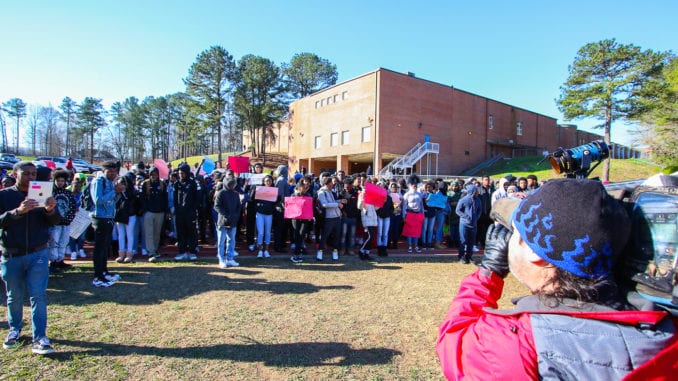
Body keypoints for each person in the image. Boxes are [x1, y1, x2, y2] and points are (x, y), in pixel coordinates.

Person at [437, 178, 678, 380]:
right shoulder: (666, 331)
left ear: (534, 253)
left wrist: (489, 272)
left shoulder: (514, 343)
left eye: (516, 233)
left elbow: (453, 348)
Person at [0, 161, 60, 354]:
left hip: (38, 253)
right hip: (12, 254)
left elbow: (54, 221)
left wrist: (51, 210)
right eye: (26, 173)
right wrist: (17, 212)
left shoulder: (41, 193)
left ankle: (40, 337)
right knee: (14, 296)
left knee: (38, 295)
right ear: (15, 174)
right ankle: (15, 330)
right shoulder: (4, 196)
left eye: (33, 174)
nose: (31, 177)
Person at [91, 161, 125, 287]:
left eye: (114, 171)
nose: (112, 173)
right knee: (99, 248)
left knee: (105, 247)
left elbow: (112, 201)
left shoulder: (111, 182)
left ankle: (104, 271)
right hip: (100, 217)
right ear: (103, 171)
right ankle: (97, 276)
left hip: (109, 217)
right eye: (109, 171)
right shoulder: (98, 181)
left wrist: (118, 192)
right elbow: (98, 200)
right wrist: (114, 191)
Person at [48, 169, 76, 272]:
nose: (60, 183)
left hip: (66, 222)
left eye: (62, 181)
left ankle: (60, 260)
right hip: (55, 223)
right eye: (58, 180)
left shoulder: (68, 193)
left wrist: (70, 218)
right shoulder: (51, 193)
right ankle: (53, 262)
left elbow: (72, 206)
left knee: (64, 241)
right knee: (54, 242)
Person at [140, 166, 168, 262]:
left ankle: (155, 249)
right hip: (149, 212)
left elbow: (165, 197)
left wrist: (165, 210)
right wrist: (145, 209)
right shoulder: (145, 184)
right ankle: (151, 251)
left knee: (157, 233)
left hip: (160, 212)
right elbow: (142, 198)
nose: (154, 175)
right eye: (152, 173)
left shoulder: (162, 183)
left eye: (155, 173)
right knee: (149, 233)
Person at [173, 164, 201, 261]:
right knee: (181, 233)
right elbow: (175, 199)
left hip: (190, 213)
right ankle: (182, 252)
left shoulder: (193, 183)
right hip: (180, 213)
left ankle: (192, 252)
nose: (181, 175)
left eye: (182, 173)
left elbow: (197, 198)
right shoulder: (176, 184)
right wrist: (177, 210)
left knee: (191, 232)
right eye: (179, 173)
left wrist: (193, 209)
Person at [214, 177, 241, 268]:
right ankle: (221, 259)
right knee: (221, 241)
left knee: (231, 240)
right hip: (223, 221)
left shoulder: (235, 194)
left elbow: (238, 206)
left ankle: (230, 259)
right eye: (229, 183)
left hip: (233, 221)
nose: (231, 185)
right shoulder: (221, 193)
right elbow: (217, 206)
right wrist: (226, 215)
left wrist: (236, 215)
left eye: (232, 184)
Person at [316, 176, 345, 261]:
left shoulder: (331, 191)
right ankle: (320, 251)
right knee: (325, 235)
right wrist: (338, 205)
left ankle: (335, 251)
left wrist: (340, 201)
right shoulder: (321, 192)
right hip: (329, 218)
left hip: (337, 216)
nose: (333, 184)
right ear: (328, 183)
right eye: (332, 182)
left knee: (337, 235)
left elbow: (331, 202)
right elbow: (325, 204)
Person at [455, 184, 481, 264]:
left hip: (473, 224)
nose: (477, 192)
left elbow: (479, 210)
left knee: (471, 241)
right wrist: (466, 216)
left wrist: (476, 218)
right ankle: (461, 256)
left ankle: (469, 257)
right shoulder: (463, 200)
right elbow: (458, 210)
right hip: (464, 224)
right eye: (476, 191)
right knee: (463, 240)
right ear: (472, 191)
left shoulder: (478, 200)